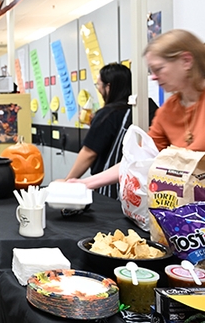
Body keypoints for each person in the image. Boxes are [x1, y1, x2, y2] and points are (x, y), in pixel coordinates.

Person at [73, 29, 205, 191]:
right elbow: (138, 159)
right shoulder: (168, 111)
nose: (154, 77)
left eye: (159, 69)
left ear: (186, 61)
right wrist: (84, 183)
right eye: (151, 71)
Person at [65, 63, 158, 199]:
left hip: (109, 190)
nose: (98, 89)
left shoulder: (107, 114)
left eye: (98, 85)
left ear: (108, 87)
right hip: (141, 187)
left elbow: (89, 153)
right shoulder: (147, 107)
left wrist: (68, 181)